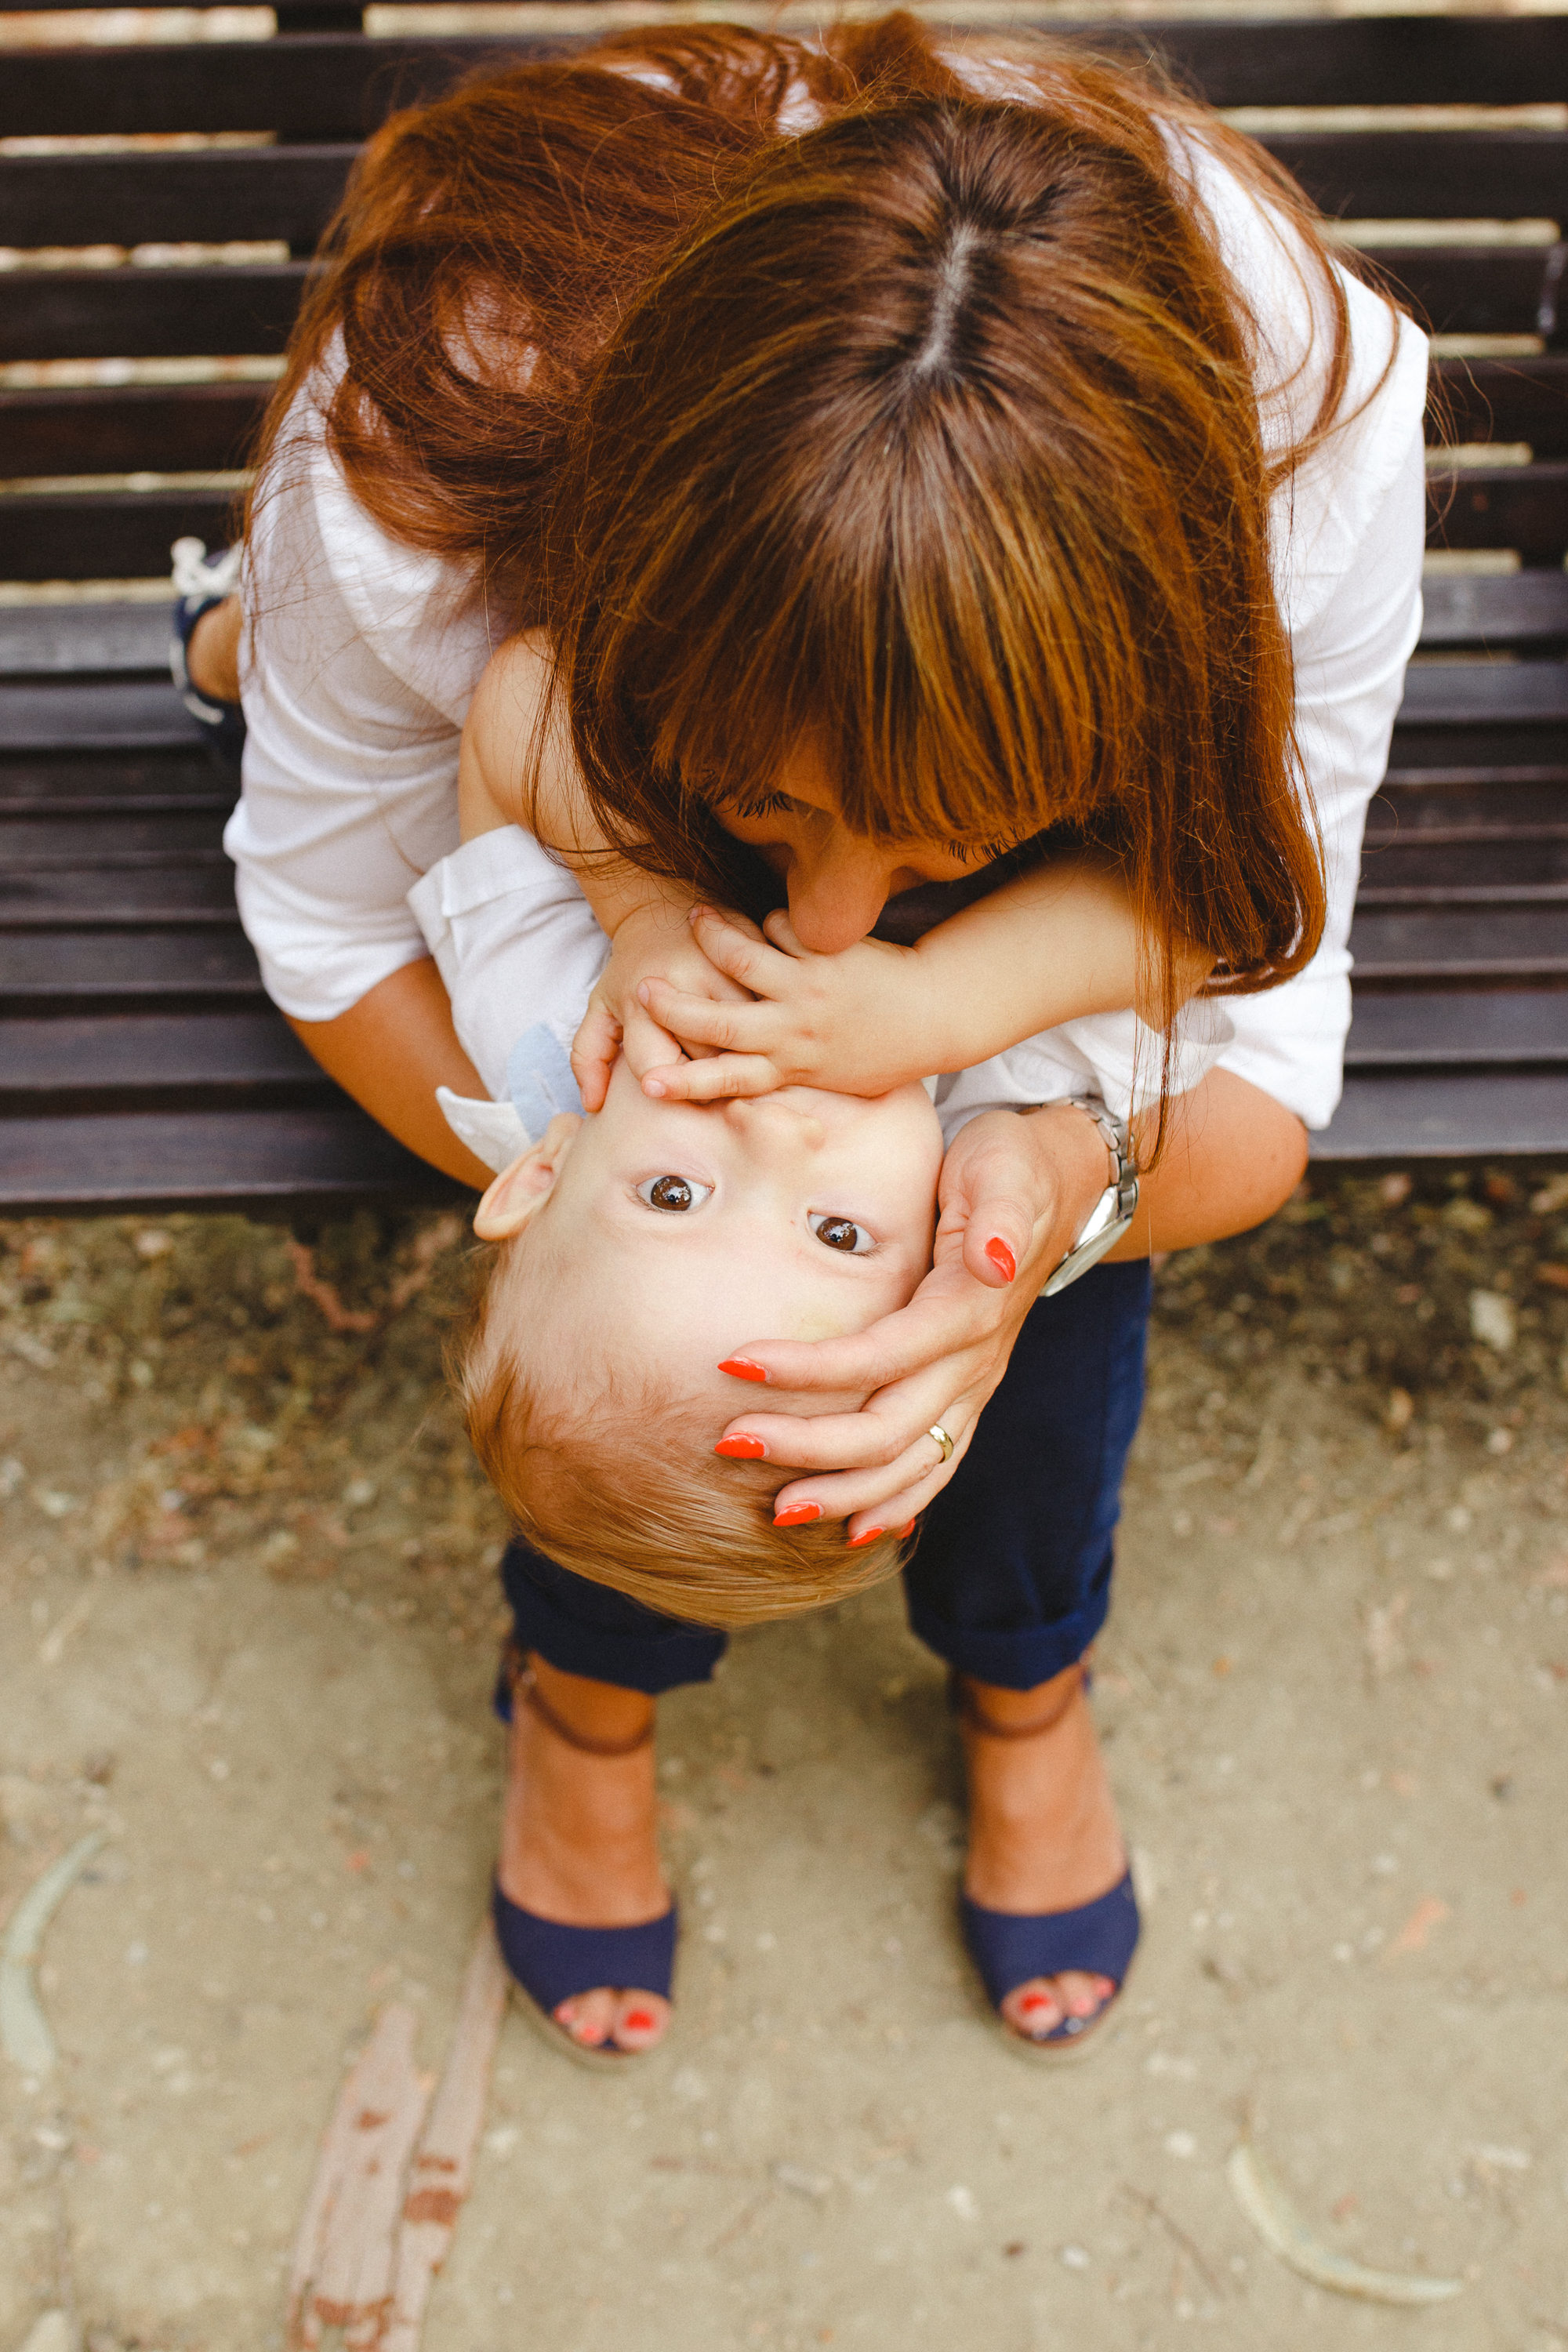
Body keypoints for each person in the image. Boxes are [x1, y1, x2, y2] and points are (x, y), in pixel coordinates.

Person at [186, 16, 1427, 2060]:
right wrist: (633, 1217)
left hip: (948, 900)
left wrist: (1013, 1156)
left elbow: (1242, 1004)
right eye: (778, 819)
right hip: (617, 664)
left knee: (1022, 1363)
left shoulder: (1294, 455)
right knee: (643, 1406)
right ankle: (584, 1697)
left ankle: (1025, 1676)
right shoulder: (473, 493)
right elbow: (393, 846)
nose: (819, 957)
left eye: (686, 1177)